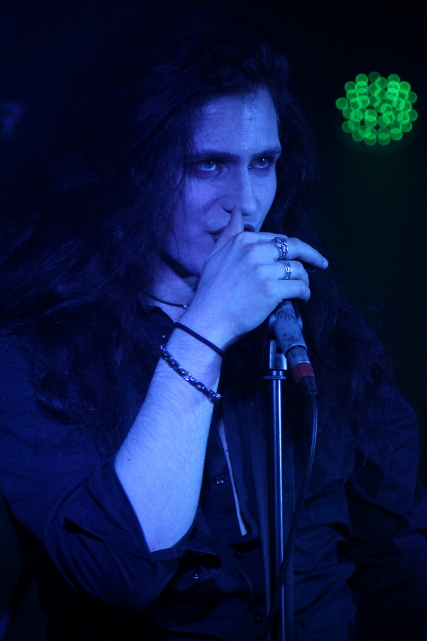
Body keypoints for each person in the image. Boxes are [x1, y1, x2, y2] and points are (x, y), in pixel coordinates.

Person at [0, 9, 427, 641]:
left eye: (263, 162)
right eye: (208, 165)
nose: (246, 204)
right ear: (132, 168)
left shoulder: (324, 328)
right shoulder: (35, 349)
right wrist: (205, 330)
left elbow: (397, 550)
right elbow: (118, 570)